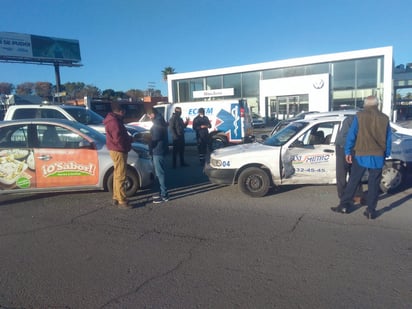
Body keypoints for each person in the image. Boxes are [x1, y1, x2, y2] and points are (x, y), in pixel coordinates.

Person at [331, 96, 391, 219]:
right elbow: (388, 138)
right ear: (377, 104)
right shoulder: (385, 118)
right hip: (378, 155)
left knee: (353, 181)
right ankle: (371, 210)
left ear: (365, 104)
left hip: (361, 154)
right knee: (374, 183)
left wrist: (348, 152)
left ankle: (344, 205)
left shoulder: (359, 116)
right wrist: (386, 153)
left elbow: (351, 136)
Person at [103, 102, 133, 209]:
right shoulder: (115, 122)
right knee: (121, 175)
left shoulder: (112, 120)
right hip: (119, 150)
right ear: (121, 111)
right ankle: (122, 199)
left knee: (117, 174)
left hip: (115, 149)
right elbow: (118, 139)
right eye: (124, 112)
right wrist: (128, 144)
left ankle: (116, 196)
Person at [335, 114, 364, 204]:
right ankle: (346, 196)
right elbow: (345, 137)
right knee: (344, 173)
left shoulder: (360, 120)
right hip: (344, 147)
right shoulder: (350, 120)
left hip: (353, 148)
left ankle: (354, 195)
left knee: (352, 173)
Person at [148, 108, 169, 203]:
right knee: (160, 172)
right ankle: (163, 193)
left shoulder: (157, 122)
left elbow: (155, 138)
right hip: (161, 148)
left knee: (160, 173)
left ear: (152, 114)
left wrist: (148, 139)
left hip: (158, 150)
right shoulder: (161, 120)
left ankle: (164, 194)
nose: (148, 117)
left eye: (149, 115)